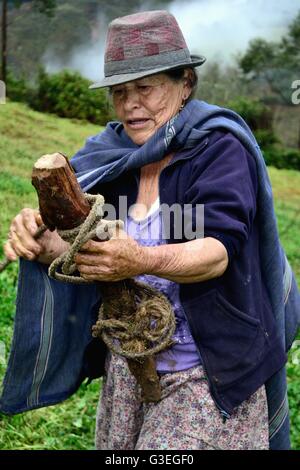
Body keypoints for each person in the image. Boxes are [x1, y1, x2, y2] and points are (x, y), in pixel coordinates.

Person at [2, 10, 299, 450]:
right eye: (120, 92)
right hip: (130, 364)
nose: (130, 104)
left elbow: (218, 252)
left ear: (185, 85)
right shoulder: (111, 157)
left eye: (145, 87)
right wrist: (42, 243)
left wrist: (141, 259)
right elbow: (86, 246)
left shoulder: (218, 149)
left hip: (207, 370)